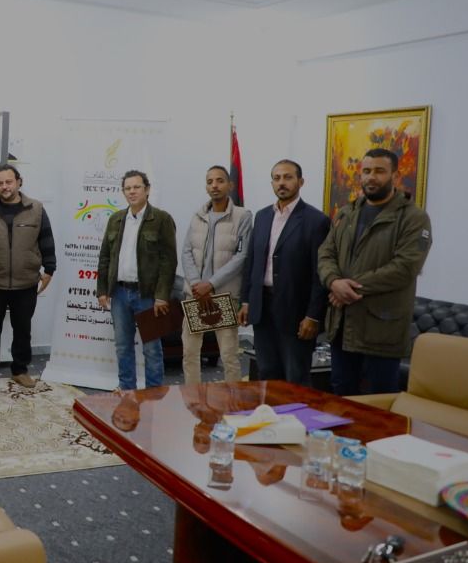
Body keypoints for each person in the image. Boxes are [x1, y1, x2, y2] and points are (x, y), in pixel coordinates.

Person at [318, 148, 432, 395]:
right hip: (342, 327)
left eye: (379, 171)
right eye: (367, 171)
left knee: (379, 401)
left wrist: (347, 288)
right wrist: (334, 281)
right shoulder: (347, 212)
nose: (371, 177)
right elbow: (326, 253)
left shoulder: (413, 218)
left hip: (381, 330)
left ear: (395, 176)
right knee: (341, 396)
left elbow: (404, 268)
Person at [238, 160, 331, 386]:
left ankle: (297, 412)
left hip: (295, 312)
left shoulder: (316, 220)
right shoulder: (262, 216)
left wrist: (313, 316)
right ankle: (272, 411)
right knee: (267, 373)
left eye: (288, 177)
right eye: (277, 178)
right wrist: (246, 300)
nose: (282, 183)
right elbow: (252, 262)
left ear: (301, 181)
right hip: (262, 308)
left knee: (295, 377)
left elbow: (320, 273)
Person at [0, 164, 56, 388]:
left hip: (25, 282)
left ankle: (20, 370)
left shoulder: (36, 209)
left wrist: (49, 269)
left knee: (23, 329)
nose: (5, 186)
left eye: (9, 182)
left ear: (19, 182)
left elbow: (46, 239)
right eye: (0, 183)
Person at [95, 170, 177, 391]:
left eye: (136, 187)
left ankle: (154, 394)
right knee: (123, 346)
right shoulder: (115, 219)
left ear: (147, 189)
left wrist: (162, 296)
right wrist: (102, 289)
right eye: (127, 188)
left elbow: (168, 262)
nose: (132, 192)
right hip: (119, 293)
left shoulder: (161, 219)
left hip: (148, 295)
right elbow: (105, 256)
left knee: (152, 348)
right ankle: (127, 390)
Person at [180, 165, 253, 385]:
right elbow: (186, 252)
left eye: (220, 181)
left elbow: (241, 256)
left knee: (229, 356)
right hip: (195, 295)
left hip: (223, 296)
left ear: (230, 185)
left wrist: (210, 284)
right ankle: (193, 399)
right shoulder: (198, 216)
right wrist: (196, 284)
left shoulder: (242, 216)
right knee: (190, 354)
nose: (214, 185)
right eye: (210, 181)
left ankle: (233, 401)